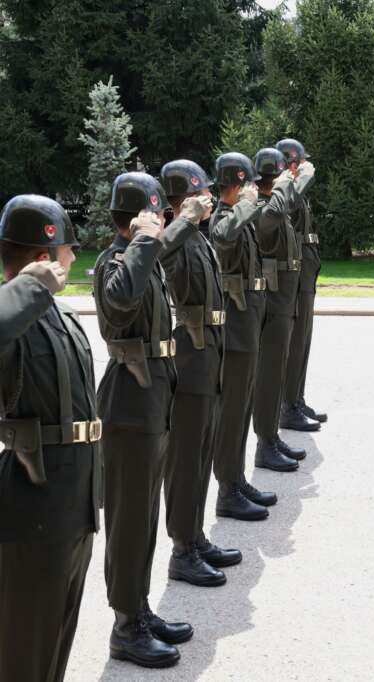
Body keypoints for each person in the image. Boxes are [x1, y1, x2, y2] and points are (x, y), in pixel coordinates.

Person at [0, 195, 100, 681]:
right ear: (43, 258)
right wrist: (27, 287)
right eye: (66, 250)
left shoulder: (58, 314)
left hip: (73, 504)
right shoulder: (14, 314)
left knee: (56, 640)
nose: (72, 258)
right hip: (34, 507)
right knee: (25, 648)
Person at [94, 172, 192, 668]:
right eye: (153, 214)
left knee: (146, 517)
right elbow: (120, 302)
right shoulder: (117, 261)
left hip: (152, 396)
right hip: (129, 402)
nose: (161, 221)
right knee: (130, 521)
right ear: (132, 218)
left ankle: (139, 607)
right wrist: (143, 242)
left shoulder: (144, 255)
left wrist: (150, 242)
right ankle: (124, 626)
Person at [158, 159, 240, 587]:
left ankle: (195, 535)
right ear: (184, 200)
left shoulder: (198, 236)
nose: (208, 198)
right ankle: (181, 549)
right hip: (189, 353)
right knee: (187, 456)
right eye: (200, 194)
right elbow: (159, 254)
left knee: (203, 450)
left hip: (210, 351)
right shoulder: (174, 236)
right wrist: (185, 220)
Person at [209, 152, 278, 521]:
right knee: (233, 411)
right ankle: (226, 489)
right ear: (235, 185)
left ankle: (235, 479)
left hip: (247, 321)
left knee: (243, 405)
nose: (253, 189)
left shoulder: (240, 215)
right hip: (234, 328)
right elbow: (221, 236)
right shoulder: (224, 217)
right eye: (247, 184)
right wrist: (247, 206)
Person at [251, 148, 307, 471]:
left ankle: (271, 436)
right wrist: (285, 185)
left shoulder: (277, 204)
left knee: (278, 369)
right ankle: (264, 442)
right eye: (283, 175)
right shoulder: (263, 208)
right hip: (273, 300)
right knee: (270, 374)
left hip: (283, 297)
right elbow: (269, 220)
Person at [276, 138, 326, 431]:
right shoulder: (285, 189)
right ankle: (286, 405)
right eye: (298, 163)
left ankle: (296, 398)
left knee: (303, 338)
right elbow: (286, 205)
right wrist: (302, 179)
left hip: (305, 268)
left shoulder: (296, 188)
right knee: (293, 341)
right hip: (292, 273)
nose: (303, 167)